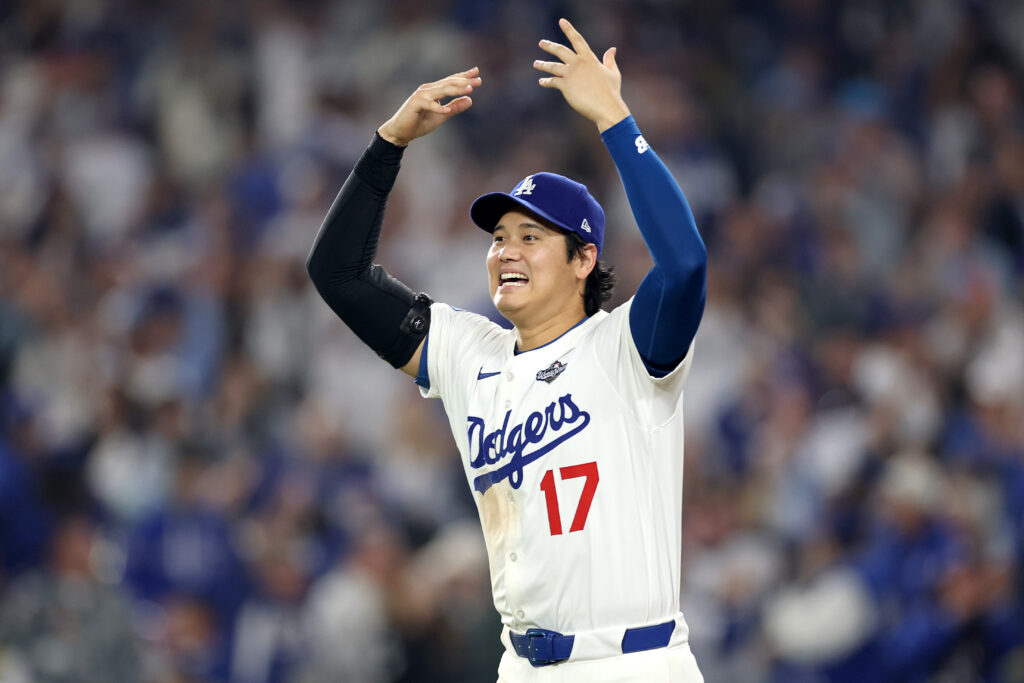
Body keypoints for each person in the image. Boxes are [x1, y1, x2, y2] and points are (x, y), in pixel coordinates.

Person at [307, 18, 707, 682]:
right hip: (520, 665)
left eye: (530, 237)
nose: (505, 252)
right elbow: (339, 275)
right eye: (499, 237)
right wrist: (389, 143)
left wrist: (613, 116)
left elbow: (687, 263)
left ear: (584, 259)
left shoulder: (627, 346)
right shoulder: (470, 353)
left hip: (633, 662)